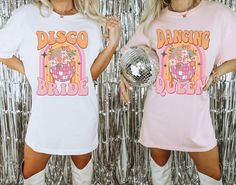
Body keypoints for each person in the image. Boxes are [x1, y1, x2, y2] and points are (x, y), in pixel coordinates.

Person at [0, 0, 120, 184]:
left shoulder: (90, 23)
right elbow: (3, 52)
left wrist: (112, 45)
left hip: (81, 116)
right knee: (31, 175)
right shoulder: (27, 15)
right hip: (45, 118)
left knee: (82, 175)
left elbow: (89, 76)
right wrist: (31, 71)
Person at [120, 0, 236, 185]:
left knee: (212, 175)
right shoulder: (154, 19)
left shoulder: (219, 14)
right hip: (158, 113)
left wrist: (216, 73)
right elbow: (128, 54)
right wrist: (123, 77)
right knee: (159, 170)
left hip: (195, 118)